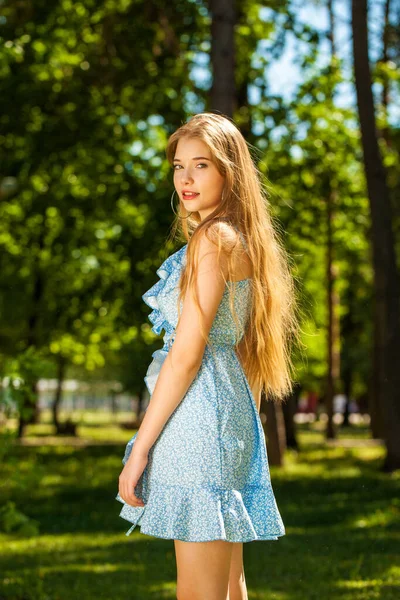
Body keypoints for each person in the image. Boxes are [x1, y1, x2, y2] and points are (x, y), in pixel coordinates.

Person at [116, 112, 299, 600]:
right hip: (228, 413)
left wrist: (139, 450)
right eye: (179, 166)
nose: (186, 179)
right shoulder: (238, 238)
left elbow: (186, 355)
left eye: (202, 165)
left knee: (199, 593)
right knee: (228, 588)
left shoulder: (212, 240)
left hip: (200, 419)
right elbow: (238, 348)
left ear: (229, 173)